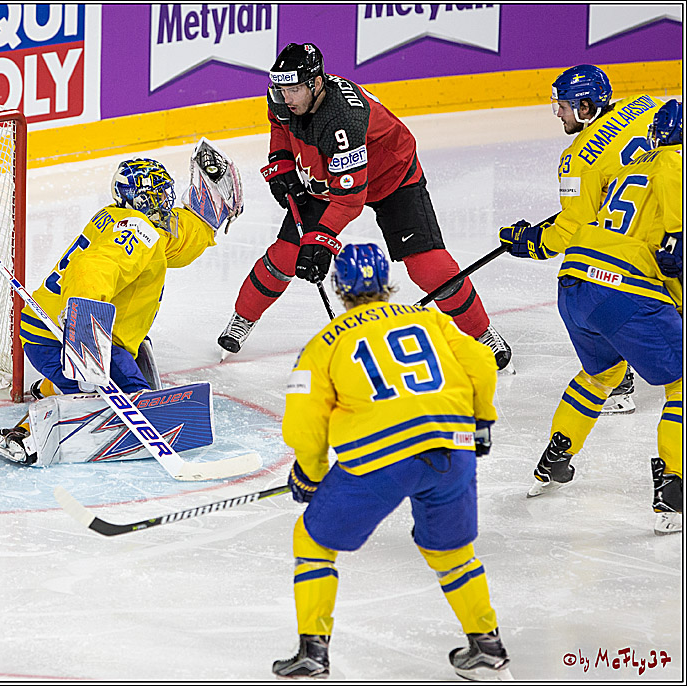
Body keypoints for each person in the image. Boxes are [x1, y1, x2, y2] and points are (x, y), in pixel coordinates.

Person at [274, 243, 511, 680]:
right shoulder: (430, 318)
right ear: (388, 282)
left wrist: (309, 475)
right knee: (453, 553)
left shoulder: (325, 343)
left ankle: (313, 652)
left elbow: (306, 422)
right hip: (450, 446)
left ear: (339, 288)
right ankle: (487, 646)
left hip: (378, 458)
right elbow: (480, 360)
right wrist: (480, 423)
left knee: (313, 543)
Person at [218, 42, 512, 371]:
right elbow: (280, 128)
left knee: (429, 267)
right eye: (280, 86)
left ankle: (482, 332)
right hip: (329, 176)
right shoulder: (284, 99)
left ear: (316, 84)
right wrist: (282, 164)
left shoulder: (343, 119)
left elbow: (350, 199)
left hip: (392, 178)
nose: (285, 96)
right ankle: (241, 319)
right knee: (285, 255)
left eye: (294, 88)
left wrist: (321, 241)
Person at [0, 141, 244, 466]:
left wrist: (206, 221)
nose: (167, 202)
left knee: (123, 371)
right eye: (160, 196)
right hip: (61, 335)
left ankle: (52, 386)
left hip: (52, 323)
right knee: (130, 394)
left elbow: (173, 244)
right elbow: (92, 270)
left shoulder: (121, 218)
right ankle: (24, 435)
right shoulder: (138, 233)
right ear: (144, 200)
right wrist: (85, 338)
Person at [511, 100, 682, 534]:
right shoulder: (677, 164)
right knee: (680, 383)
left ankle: (554, 459)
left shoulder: (627, 169)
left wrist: (532, 240)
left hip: (574, 284)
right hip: (623, 287)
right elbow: (673, 254)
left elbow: (582, 224)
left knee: (600, 376)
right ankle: (673, 488)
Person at [498, 64, 663, 414]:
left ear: (585, 108)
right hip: (672, 217)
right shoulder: (647, 104)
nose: (557, 113)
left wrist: (532, 242)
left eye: (562, 105)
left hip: (641, 241)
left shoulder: (577, 160)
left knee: (586, 287)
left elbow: (575, 231)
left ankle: (617, 385)